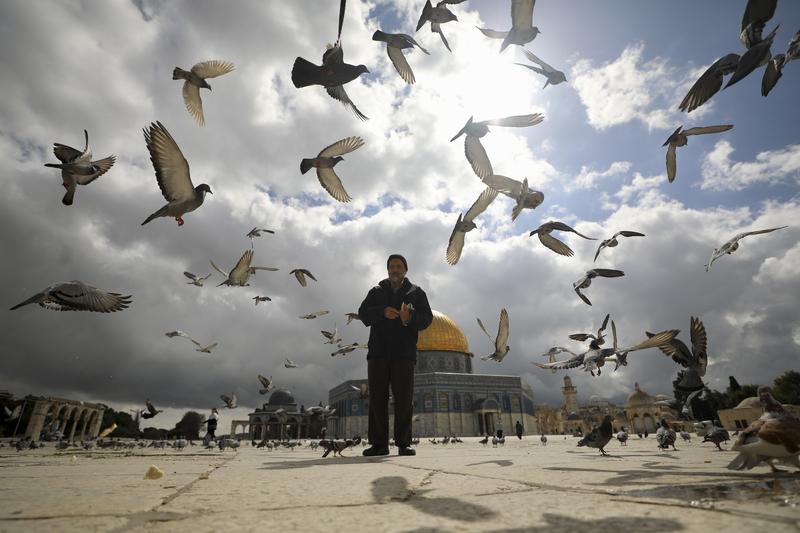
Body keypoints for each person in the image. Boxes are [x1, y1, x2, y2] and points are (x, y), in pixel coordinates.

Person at [358, 254, 432, 457]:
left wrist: (410, 317)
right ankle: (379, 444)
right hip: (378, 353)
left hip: (403, 353)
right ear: (387, 269)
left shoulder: (416, 293)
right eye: (391, 266)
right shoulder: (376, 291)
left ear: (405, 270)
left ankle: (403, 443)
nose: (395, 269)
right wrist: (382, 312)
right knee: (377, 398)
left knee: (403, 399)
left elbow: (427, 319)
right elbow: (363, 313)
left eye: (399, 266)